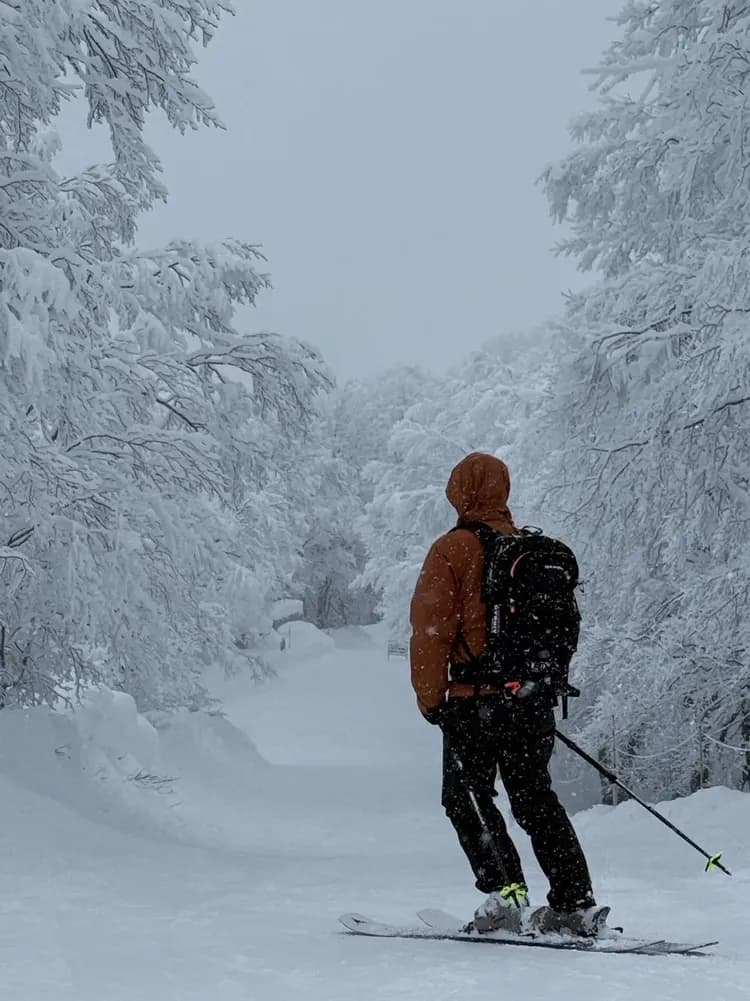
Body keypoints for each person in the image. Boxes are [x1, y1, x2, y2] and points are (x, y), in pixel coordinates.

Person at [409, 451, 599, 936]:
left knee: (467, 797)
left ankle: (507, 898)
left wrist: (432, 701)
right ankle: (575, 904)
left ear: (459, 491)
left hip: (475, 702)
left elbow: (430, 631)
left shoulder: (452, 550)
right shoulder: (529, 551)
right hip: (531, 699)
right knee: (535, 797)